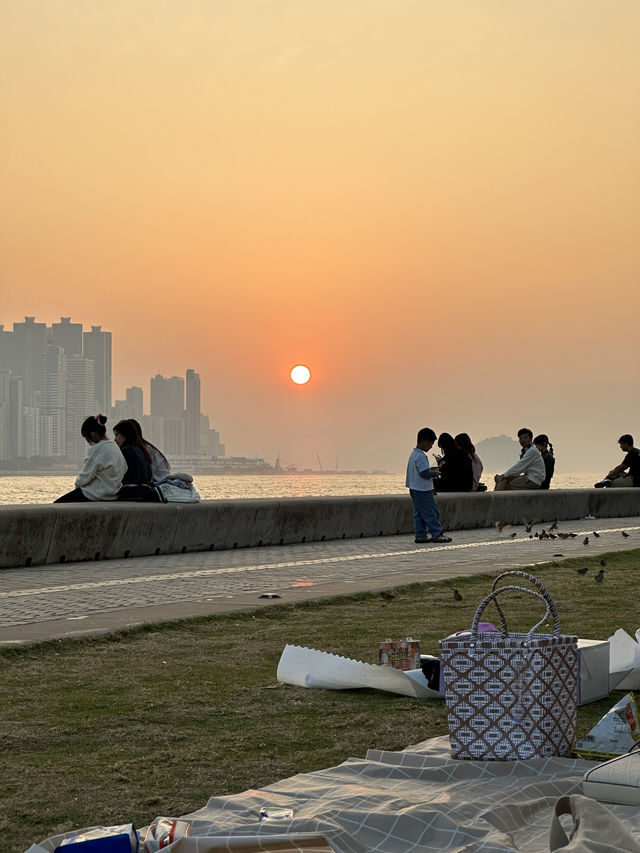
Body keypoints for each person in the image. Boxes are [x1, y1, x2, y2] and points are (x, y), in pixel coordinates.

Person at [54, 414, 127, 503]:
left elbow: (86, 476)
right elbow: (124, 467)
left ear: (92, 434)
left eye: (87, 439)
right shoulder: (115, 447)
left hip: (95, 495)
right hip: (113, 495)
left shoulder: (97, 449)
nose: (88, 442)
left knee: (57, 504)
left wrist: (77, 485)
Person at [405, 427, 452, 544]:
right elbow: (424, 473)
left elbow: (420, 471)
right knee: (431, 512)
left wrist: (430, 470)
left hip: (414, 488)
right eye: (431, 443)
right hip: (423, 489)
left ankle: (420, 535)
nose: (431, 447)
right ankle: (437, 534)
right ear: (425, 441)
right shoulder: (421, 456)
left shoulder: (413, 455)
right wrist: (436, 473)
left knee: (419, 513)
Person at [113, 419, 153, 486]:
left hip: (131, 493)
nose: (115, 439)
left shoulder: (125, 451)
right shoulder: (141, 449)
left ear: (125, 435)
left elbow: (117, 477)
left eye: (117, 435)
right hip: (143, 491)